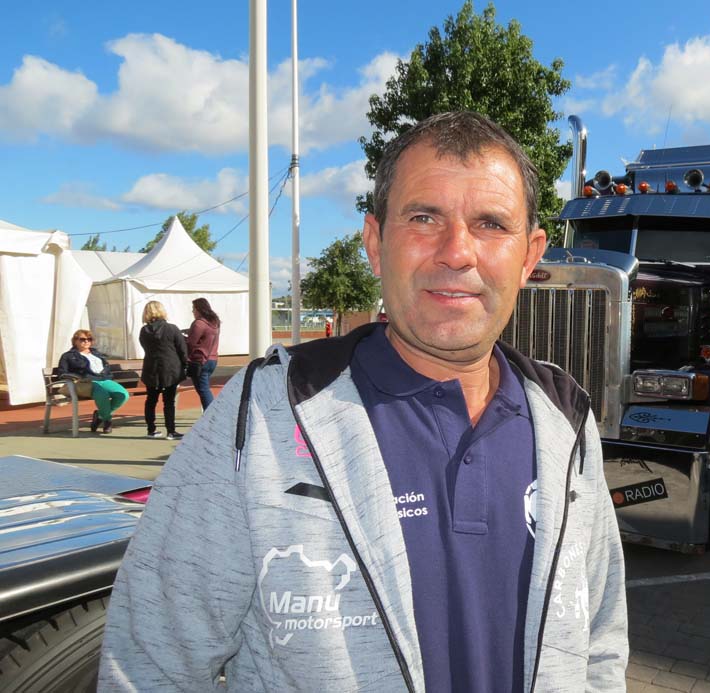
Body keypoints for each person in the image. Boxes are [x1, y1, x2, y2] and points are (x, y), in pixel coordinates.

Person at [100, 111, 628, 692]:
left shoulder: (566, 422)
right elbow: (150, 665)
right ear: (376, 244)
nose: (458, 252)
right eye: (424, 217)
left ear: (529, 257)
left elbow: (600, 644)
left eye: (490, 224)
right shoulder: (265, 414)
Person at [57, 329, 130, 434]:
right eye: (82, 339)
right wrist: (76, 377)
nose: (86, 341)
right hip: (87, 382)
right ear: (75, 341)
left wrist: (108, 374)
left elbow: (105, 366)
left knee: (123, 395)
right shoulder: (68, 356)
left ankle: (100, 415)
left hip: (104, 379)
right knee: (102, 395)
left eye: (89, 339)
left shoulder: (96, 353)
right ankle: (107, 421)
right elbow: (62, 372)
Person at [138, 300, 188, 440]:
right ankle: (171, 431)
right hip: (170, 369)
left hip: (151, 368)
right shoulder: (171, 328)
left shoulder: (144, 331)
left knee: (151, 400)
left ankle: (151, 429)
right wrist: (185, 365)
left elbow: (144, 347)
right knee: (169, 401)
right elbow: (182, 349)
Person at [185, 297, 221, 410]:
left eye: (193, 309)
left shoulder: (199, 323)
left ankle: (210, 415)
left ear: (198, 309)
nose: (192, 311)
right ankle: (209, 413)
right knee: (204, 388)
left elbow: (191, 343)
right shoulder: (214, 322)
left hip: (200, 360)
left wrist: (179, 338)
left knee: (203, 390)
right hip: (213, 359)